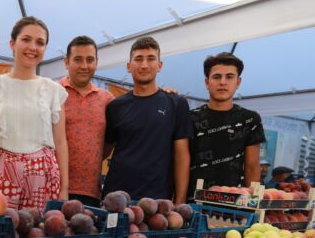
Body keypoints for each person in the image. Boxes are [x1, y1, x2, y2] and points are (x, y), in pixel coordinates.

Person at [0, 16, 69, 211]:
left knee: (36, 236)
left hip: (43, 178)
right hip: (0, 176)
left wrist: (64, 189)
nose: (32, 47)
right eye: (26, 39)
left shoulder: (54, 90)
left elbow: (60, 142)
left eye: (40, 42)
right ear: (12, 43)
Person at [102, 36, 191, 200]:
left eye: (151, 59)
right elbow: (102, 152)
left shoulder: (177, 104)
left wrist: (180, 201)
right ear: (129, 66)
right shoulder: (115, 106)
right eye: (138, 59)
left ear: (160, 65)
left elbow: (182, 156)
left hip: (157, 201)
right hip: (116, 197)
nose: (144, 65)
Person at [188, 52, 265, 194]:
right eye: (217, 77)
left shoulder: (250, 120)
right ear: (207, 82)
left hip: (234, 204)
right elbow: (180, 163)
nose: (223, 82)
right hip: (193, 203)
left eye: (229, 77)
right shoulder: (190, 118)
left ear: (238, 82)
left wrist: (252, 204)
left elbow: (252, 167)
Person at [59, 35, 114, 207]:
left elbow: (108, 143)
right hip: (55, 188)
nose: (84, 66)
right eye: (78, 60)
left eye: (90, 60)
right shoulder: (53, 92)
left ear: (96, 62)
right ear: (66, 62)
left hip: (92, 192)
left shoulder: (107, 99)